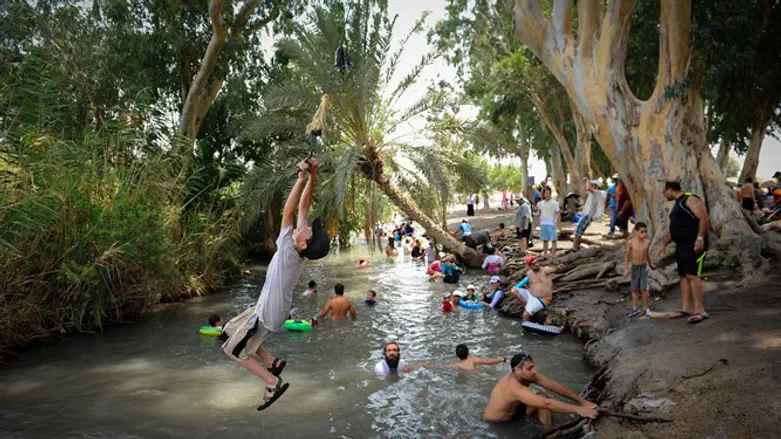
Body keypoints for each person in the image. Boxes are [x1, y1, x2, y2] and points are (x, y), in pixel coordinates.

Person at [220, 158, 329, 411]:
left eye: (308, 231)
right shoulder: (299, 244)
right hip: (268, 307)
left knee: (232, 350)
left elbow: (289, 212)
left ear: (303, 244)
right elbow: (304, 206)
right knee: (228, 329)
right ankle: (272, 361)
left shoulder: (290, 249)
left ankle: (272, 381)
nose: (305, 226)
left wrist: (300, 178)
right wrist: (313, 174)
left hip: (269, 312)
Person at [482, 352, 598, 427]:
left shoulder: (526, 374)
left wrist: (583, 402)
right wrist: (579, 410)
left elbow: (553, 386)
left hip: (516, 410)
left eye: (533, 367)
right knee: (543, 401)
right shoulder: (514, 388)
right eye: (530, 368)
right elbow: (546, 404)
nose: (534, 371)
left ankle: (546, 430)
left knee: (542, 395)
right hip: (499, 423)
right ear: (517, 370)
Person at [657, 181, 710, 324]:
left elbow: (704, 218)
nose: (664, 195)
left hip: (693, 244)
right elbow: (676, 227)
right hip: (681, 245)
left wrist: (699, 239)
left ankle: (700, 310)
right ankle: (686, 308)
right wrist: (664, 243)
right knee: (683, 276)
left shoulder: (690, 199)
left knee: (693, 275)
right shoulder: (678, 203)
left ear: (669, 190)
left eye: (664, 192)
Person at [511, 256, 565, 322]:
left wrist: (559, 267)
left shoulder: (545, 270)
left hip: (542, 299)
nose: (536, 264)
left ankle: (525, 329)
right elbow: (523, 282)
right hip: (530, 296)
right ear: (530, 266)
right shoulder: (529, 273)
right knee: (514, 290)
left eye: (536, 262)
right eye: (533, 264)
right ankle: (528, 304)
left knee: (525, 315)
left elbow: (554, 269)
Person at [624, 222, 657, 318]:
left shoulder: (647, 242)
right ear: (635, 232)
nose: (645, 234)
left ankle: (646, 308)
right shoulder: (631, 242)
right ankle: (635, 309)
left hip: (644, 267)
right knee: (634, 289)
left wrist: (651, 264)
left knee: (643, 288)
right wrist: (626, 269)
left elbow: (647, 255)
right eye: (642, 232)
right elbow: (627, 256)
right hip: (635, 268)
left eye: (646, 232)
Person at [573, 179, 605, 251]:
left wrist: (587, 180)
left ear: (596, 186)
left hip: (588, 215)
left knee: (578, 231)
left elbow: (587, 188)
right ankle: (576, 246)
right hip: (587, 214)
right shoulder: (595, 193)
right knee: (579, 231)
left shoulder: (596, 193)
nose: (591, 185)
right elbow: (586, 189)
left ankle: (574, 247)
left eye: (593, 185)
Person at [434, 344, 506, 372]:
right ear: (468, 353)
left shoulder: (456, 364)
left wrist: (424, 364)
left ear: (456, 355)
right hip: (478, 374)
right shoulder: (473, 359)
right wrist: (502, 359)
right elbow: (488, 362)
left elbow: (440, 367)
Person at [536, 187, 559, 258]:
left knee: (553, 240)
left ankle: (553, 254)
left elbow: (558, 213)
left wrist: (558, 223)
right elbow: (538, 213)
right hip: (543, 223)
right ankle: (545, 254)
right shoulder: (540, 204)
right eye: (546, 193)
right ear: (543, 194)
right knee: (545, 240)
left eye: (549, 193)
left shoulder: (555, 203)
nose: (547, 195)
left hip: (551, 223)